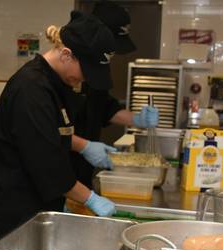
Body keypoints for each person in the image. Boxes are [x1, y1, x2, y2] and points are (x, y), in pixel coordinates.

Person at [0, 11, 120, 247]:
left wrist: (83, 146)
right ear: (67, 55)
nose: (85, 80)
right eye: (86, 72)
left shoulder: (55, 84)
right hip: (11, 219)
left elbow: (52, 135)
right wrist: (90, 199)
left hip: (34, 212)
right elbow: (47, 162)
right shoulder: (31, 89)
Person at [67, 3, 159, 187]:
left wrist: (138, 119)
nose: (112, 53)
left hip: (83, 167)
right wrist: (84, 146)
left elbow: (105, 107)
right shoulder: (68, 73)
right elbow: (48, 132)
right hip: (62, 165)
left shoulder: (97, 66)